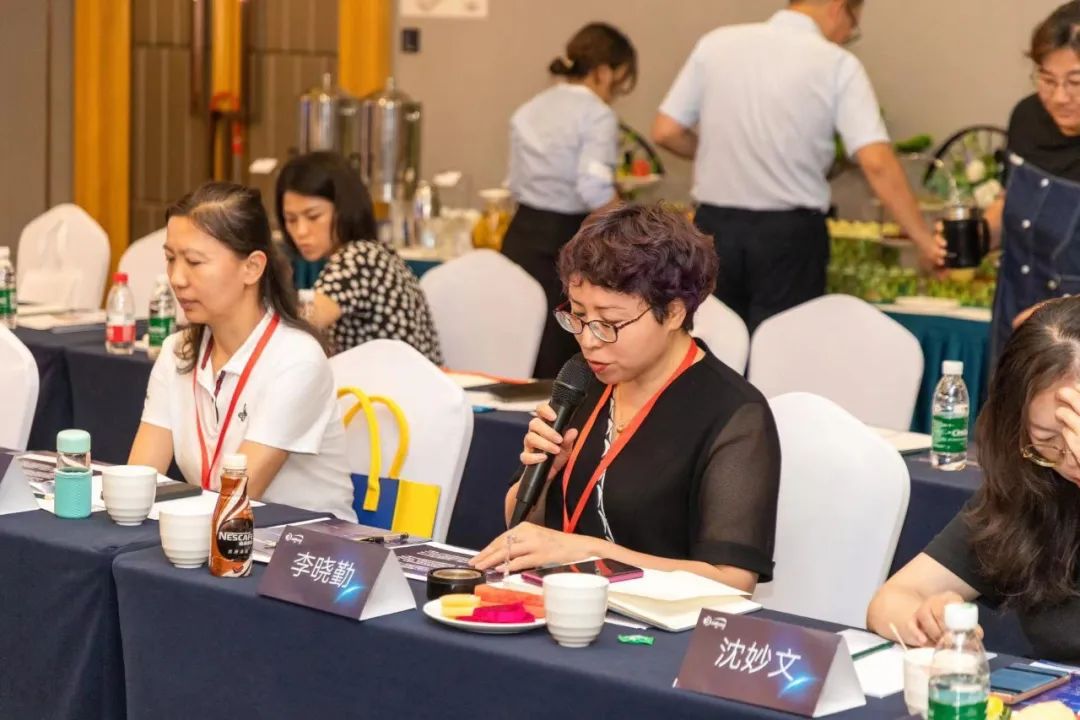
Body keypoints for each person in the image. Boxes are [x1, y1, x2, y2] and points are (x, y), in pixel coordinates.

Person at [471, 204, 780, 591]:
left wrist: (587, 552)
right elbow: (520, 527)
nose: (589, 340)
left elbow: (733, 583)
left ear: (673, 313)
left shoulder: (734, 414)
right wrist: (543, 478)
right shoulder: (584, 380)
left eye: (610, 323)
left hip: (659, 624)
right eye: (578, 315)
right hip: (564, 603)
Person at [651, 0, 945, 334]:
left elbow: (665, 131)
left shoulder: (715, 44)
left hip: (713, 230)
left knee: (712, 344)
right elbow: (876, 162)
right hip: (789, 239)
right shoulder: (836, 63)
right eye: (853, 26)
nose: (847, 36)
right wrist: (925, 242)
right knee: (782, 349)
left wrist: (721, 153)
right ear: (838, 8)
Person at [867, 297, 1080, 660]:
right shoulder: (1036, 485)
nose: (1071, 456)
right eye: (1047, 439)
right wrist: (927, 621)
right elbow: (891, 600)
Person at [129, 181, 356, 521]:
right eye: (171, 259)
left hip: (300, 542)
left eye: (194, 262)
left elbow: (236, 501)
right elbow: (139, 481)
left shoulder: (297, 360)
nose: (177, 278)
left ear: (252, 267)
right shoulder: (178, 351)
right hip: (214, 534)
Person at [503, 22, 637, 378]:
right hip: (565, 242)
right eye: (620, 82)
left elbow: (514, 183)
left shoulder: (529, 108)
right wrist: (630, 222)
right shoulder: (596, 114)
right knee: (559, 355)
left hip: (520, 235)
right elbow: (593, 189)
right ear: (604, 72)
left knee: (520, 347)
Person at [979, 2, 1080, 359]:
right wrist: (976, 235)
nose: (1059, 97)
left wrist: (1062, 314)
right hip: (1014, 315)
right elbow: (1011, 200)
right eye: (1047, 80)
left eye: (1075, 82)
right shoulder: (1026, 118)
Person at [275, 151, 443, 364]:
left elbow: (300, 326)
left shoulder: (358, 258)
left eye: (313, 216)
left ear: (344, 210)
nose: (301, 231)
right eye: (291, 219)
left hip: (396, 383)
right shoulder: (376, 252)